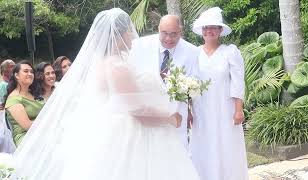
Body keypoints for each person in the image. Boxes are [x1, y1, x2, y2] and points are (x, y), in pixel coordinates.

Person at [10, 8, 200, 180]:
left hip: (109, 131)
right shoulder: (117, 66)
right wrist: (169, 118)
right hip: (129, 136)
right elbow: (138, 112)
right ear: (121, 34)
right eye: (128, 31)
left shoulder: (102, 64)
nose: (132, 36)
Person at [190, 7, 249, 180]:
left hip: (225, 109)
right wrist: (188, 110)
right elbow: (188, 85)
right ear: (202, 31)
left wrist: (239, 109)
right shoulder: (194, 54)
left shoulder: (230, 52)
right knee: (204, 146)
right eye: (206, 27)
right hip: (201, 110)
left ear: (220, 30)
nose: (209, 31)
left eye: (213, 27)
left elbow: (238, 82)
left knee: (226, 145)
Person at [129, 14, 199, 148]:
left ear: (181, 32)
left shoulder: (193, 52)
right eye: (164, 33)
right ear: (158, 29)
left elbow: (195, 86)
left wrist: (191, 112)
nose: (168, 39)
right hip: (147, 118)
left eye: (174, 34)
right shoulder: (139, 45)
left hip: (176, 118)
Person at [4, 61, 45, 146]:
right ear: (16, 75)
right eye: (26, 71)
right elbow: (28, 126)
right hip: (27, 139)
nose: (30, 74)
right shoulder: (13, 99)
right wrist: (50, 122)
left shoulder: (33, 93)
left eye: (31, 72)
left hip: (42, 132)